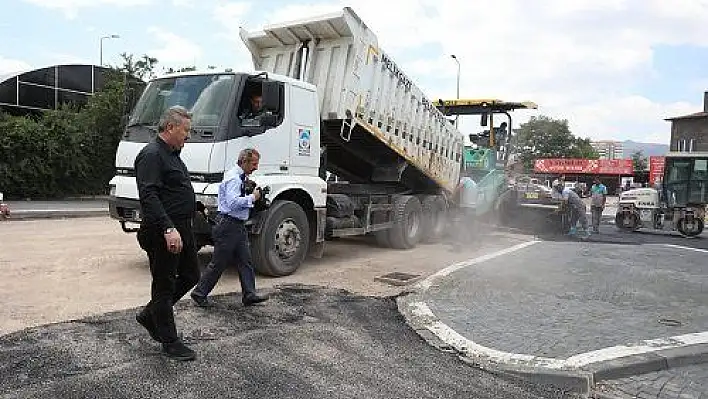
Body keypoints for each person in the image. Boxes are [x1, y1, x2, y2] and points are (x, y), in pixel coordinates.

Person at [134, 105, 200, 361]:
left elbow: (173, 190)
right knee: (164, 284)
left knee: (191, 274)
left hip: (182, 227)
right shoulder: (151, 154)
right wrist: (168, 228)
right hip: (163, 230)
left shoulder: (173, 153)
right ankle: (169, 341)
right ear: (170, 127)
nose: (188, 136)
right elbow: (148, 195)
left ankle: (150, 315)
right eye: (186, 130)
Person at [190, 148, 269, 308]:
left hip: (236, 225)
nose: (256, 167)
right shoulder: (234, 179)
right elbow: (232, 203)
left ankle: (249, 294)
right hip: (229, 225)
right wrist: (253, 197)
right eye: (254, 164)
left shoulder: (238, 176)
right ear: (244, 162)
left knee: (245, 260)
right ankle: (199, 293)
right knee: (219, 263)